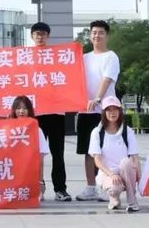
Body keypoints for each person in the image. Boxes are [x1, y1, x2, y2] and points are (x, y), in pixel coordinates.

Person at [76, 19, 119, 202]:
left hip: (105, 110)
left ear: (107, 35)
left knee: (105, 149)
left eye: (101, 32)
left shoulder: (111, 56)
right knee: (88, 150)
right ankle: (91, 187)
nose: (97, 35)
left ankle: (107, 186)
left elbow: (107, 79)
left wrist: (98, 99)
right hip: (85, 110)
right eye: (94, 32)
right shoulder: (84, 58)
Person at [30, 21, 70, 201]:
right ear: (32, 36)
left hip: (56, 112)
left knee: (57, 153)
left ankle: (60, 189)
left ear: (48, 36)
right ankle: (37, 188)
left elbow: (69, 77)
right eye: (37, 34)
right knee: (36, 154)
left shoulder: (57, 56)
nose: (40, 37)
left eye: (43, 34)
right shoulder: (25, 57)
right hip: (36, 113)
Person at [88, 96, 140, 213]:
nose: (112, 113)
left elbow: (135, 157)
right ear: (104, 112)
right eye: (109, 109)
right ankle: (114, 199)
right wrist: (111, 174)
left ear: (120, 111)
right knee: (114, 189)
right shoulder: (97, 132)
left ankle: (132, 202)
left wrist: (139, 176)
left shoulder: (127, 131)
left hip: (126, 172)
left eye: (115, 109)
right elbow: (97, 161)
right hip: (108, 174)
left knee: (126, 162)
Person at [10, 96, 50, 200]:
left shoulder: (37, 130)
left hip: (31, 177)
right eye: (18, 108)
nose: (21, 111)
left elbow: (40, 160)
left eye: (24, 108)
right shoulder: (7, 130)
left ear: (30, 110)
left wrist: (40, 182)